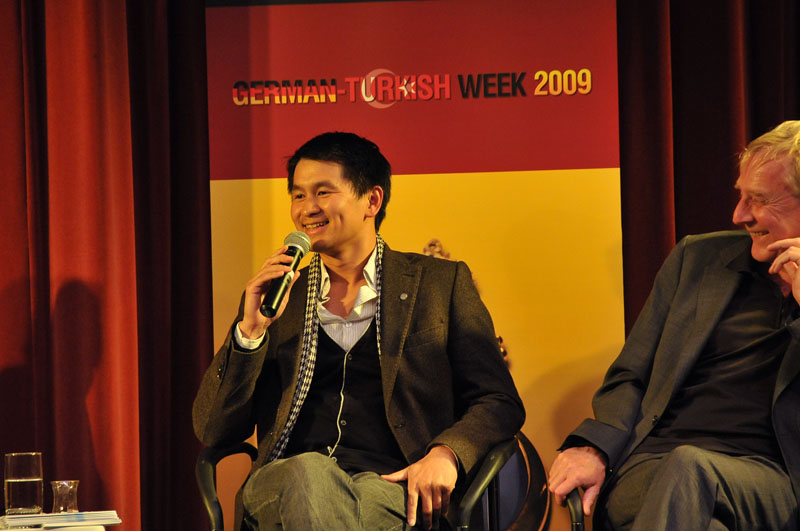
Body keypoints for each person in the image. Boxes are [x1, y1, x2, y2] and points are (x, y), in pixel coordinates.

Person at [193, 132, 525, 530]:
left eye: (322, 192)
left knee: (365, 504)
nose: (307, 209)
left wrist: (446, 454)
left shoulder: (439, 284)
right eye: (298, 195)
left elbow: (498, 400)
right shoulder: (278, 296)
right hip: (286, 481)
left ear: (372, 200)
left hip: (394, 485)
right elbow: (213, 428)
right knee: (311, 473)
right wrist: (250, 333)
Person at [548, 120, 800, 530]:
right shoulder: (697, 260)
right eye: (741, 195)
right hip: (653, 466)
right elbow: (632, 374)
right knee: (695, 498)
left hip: (772, 479)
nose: (739, 215)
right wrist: (595, 447)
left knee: (691, 467)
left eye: (758, 200)